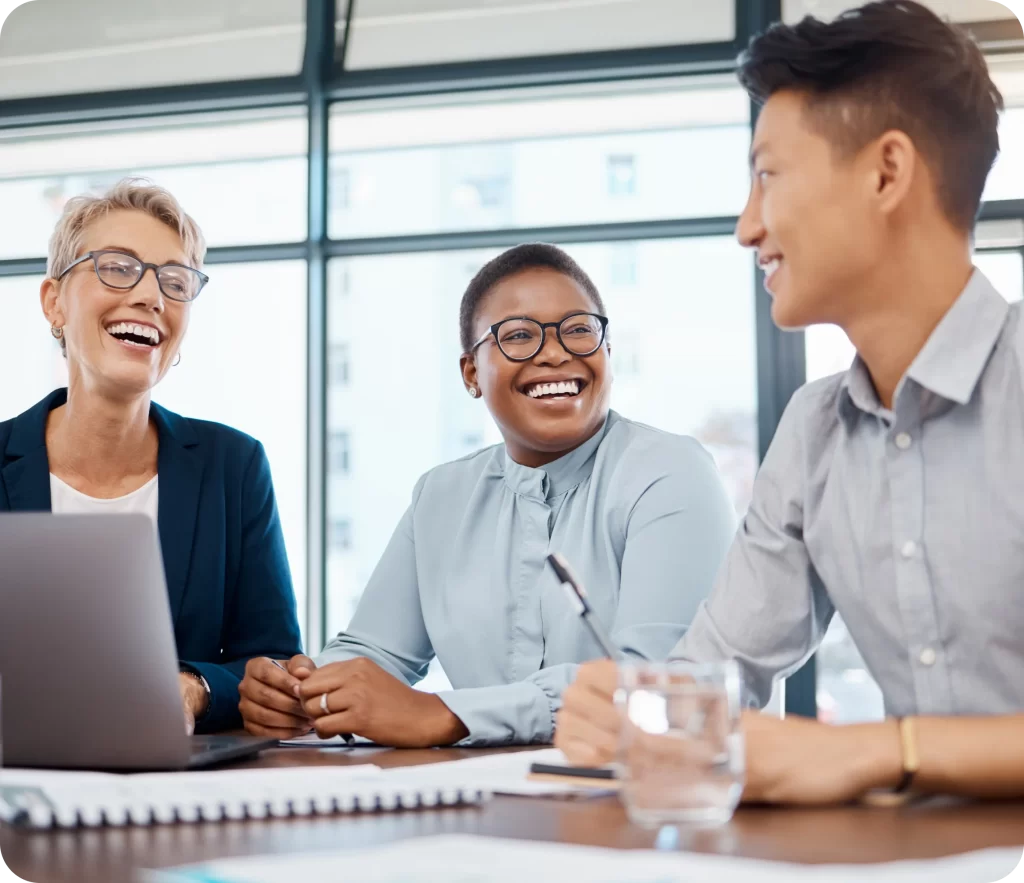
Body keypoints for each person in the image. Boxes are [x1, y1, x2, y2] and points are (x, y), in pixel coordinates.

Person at [555, 0, 1024, 803]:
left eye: (766, 175)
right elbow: (716, 673)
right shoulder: (814, 432)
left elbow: (859, 756)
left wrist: (876, 752)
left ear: (886, 172)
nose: (746, 228)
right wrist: (640, 708)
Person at [238, 243, 737, 746]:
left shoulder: (670, 472)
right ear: (472, 374)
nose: (556, 351)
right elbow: (376, 652)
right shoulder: (440, 496)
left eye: (580, 329)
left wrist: (443, 714)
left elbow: (654, 682)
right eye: (519, 335)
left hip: (643, 799)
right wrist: (301, 688)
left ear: (608, 351)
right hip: (485, 801)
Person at [0, 179, 302, 735]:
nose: (151, 296)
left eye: (175, 280)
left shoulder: (233, 467)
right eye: (117, 267)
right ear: (53, 302)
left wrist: (194, 688)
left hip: (180, 788)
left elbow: (276, 665)